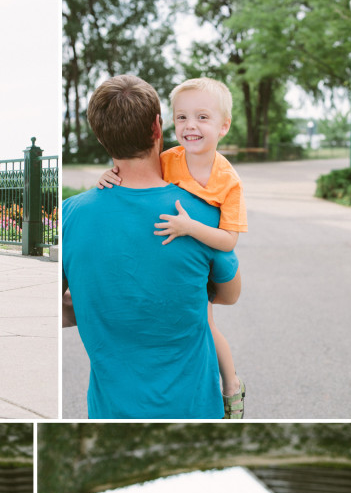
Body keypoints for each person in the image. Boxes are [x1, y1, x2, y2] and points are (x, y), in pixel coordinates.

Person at [62, 74, 242, 418]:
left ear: (101, 136)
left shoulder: (72, 216)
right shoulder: (201, 212)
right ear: (158, 127)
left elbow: (57, 309)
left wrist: (96, 302)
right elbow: (230, 294)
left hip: (111, 414)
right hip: (196, 408)